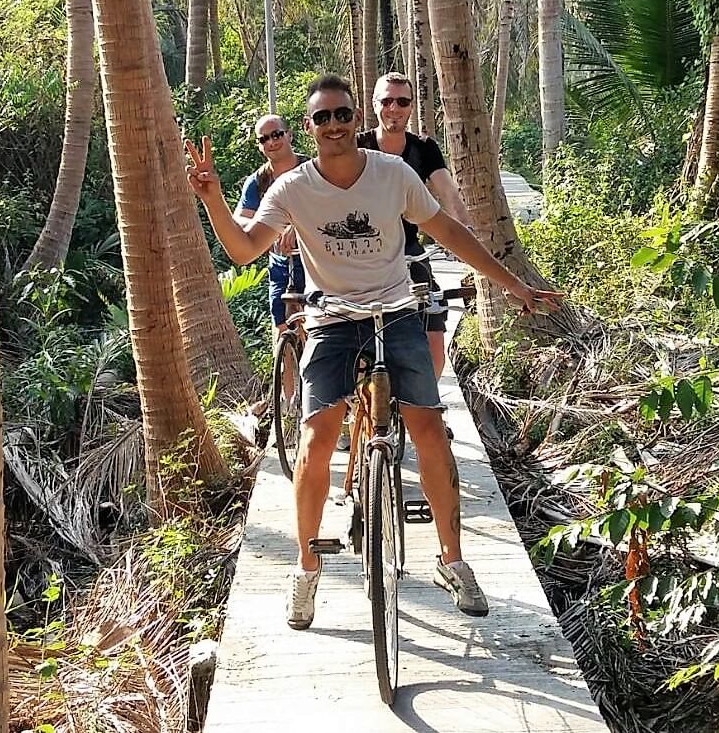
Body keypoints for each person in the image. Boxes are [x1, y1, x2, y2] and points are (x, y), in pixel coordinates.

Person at [185, 74, 563, 631]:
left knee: (429, 427)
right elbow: (244, 250)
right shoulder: (291, 189)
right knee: (316, 439)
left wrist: (514, 285)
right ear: (308, 127)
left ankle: (453, 560)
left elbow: (449, 232)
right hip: (333, 320)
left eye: (342, 114)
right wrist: (212, 198)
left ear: (355, 118)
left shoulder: (393, 174)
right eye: (322, 117)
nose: (333, 125)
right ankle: (307, 567)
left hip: (397, 312)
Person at [357, 72, 472, 386]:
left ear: (411, 107)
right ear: (374, 104)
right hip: (362, 255)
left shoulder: (424, 148)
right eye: (386, 101)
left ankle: (428, 400)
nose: (394, 108)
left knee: (434, 330)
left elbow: (448, 193)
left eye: (402, 102)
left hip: (410, 252)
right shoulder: (358, 147)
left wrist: (465, 233)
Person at [236, 115, 309, 336]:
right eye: (264, 139)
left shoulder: (312, 170)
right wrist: (272, 230)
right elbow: (241, 219)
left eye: (276, 135)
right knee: (282, 330)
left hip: (317, 264)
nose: (271, 142)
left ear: (289, 135)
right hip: (280, 267)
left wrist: (297, 227)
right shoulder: (257, 181)